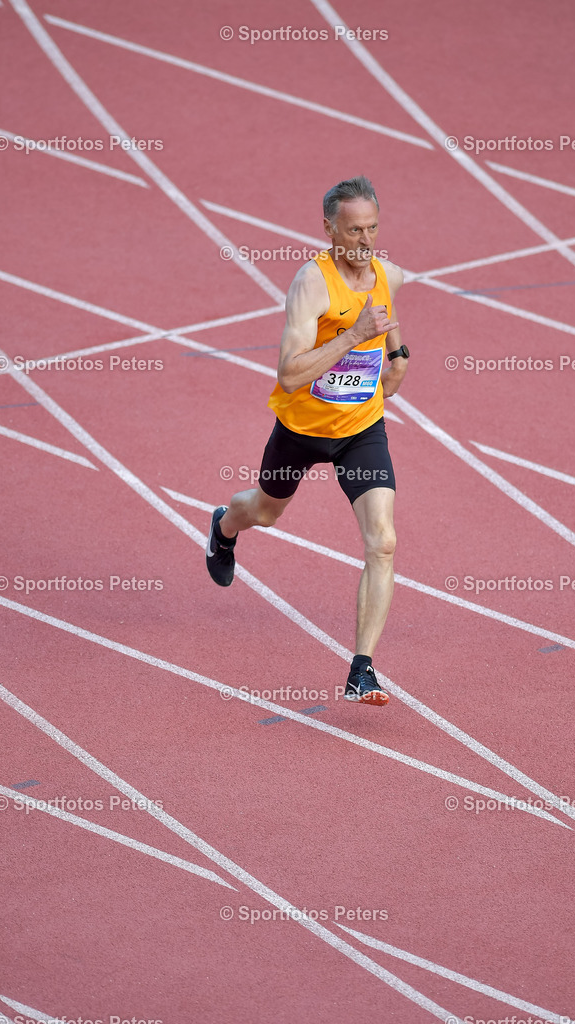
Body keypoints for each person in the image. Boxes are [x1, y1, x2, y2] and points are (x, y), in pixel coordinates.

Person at [206, 175, 409, 706]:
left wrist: (399, 354)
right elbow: (291, 375)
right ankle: (224, 527)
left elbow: (388, 319)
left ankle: (361, 668)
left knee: (382, 541)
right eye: (354, 231)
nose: (365, 242)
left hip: (361, 431)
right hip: (300, 430)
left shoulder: (387, 272)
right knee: (265, 513)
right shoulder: (311, 284)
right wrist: (353, 336)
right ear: (329, 229)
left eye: (373, 229)